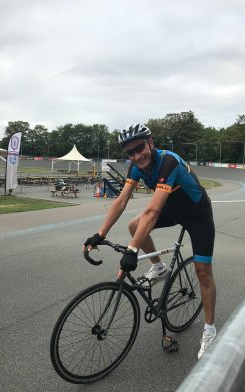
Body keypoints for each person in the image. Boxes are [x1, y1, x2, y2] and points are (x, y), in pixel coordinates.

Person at [83, 123, 217, 359]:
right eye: (130, 153)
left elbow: (153, 211)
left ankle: (209, 330)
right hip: (174, 210)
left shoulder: (168, 161)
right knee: (134, 225)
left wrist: (132, 250)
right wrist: (100, 234)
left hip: (198, 214)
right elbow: (121, 201)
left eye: (140, 148)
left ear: (151, 143)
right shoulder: (135, 167)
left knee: (203, 271)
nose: (136, 156)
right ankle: (158, 266)